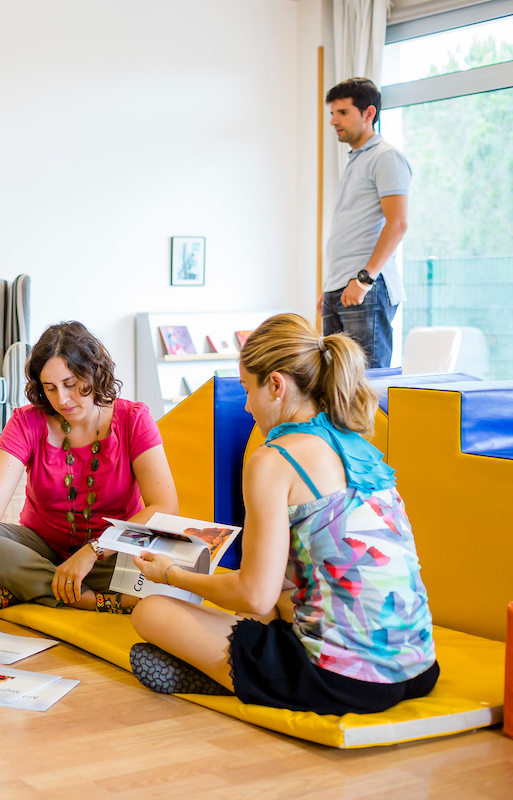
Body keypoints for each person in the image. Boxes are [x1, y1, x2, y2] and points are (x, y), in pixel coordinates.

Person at [128, 313, 438, 715]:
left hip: (345, 681)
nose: (245, 404)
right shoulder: (353, 441)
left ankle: (235, 680)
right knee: (278, 597)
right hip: (419, 666)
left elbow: (254, 597)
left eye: (246, 388)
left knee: (152, 611)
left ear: (275, 385)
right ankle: (244, 670)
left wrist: (170, 574)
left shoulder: (273, 460)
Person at [0, 321, 179, 625]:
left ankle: (30, 586)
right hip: (42, 549)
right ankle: (89, 600)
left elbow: (165, 507)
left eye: (71, 384)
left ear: (94, 373)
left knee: (166, 571)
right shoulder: (25, 422)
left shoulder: (134, 419)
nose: (62, 399)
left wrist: (93, 551)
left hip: (110, 553)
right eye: (50, 388)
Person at [321, 77, 411, 369]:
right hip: (340, 286)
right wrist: (330, 287)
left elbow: (397, 223)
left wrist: (364, 280)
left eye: (342, 112)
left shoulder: (386, 158)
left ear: (369, 113)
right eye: (332, 113)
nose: (334, 120)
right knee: (335, 384)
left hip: (366, 286)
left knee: (366, 385)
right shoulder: (355, 161)